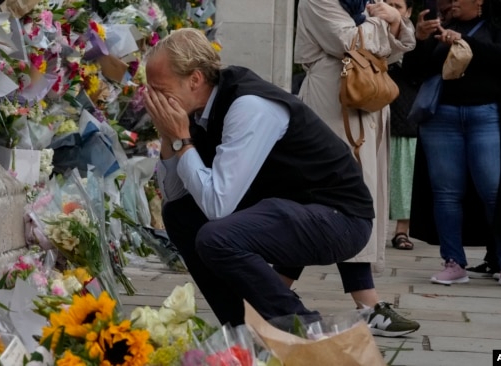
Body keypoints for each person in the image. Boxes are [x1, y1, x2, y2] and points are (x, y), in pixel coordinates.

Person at [143, 27, 376, 326]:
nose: (154, 102)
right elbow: (176, 196)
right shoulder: (196, 112)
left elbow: (217, 206)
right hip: (290, 210)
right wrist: (169, 137)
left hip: (340, 218)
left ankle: (301, 325)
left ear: (195, 79)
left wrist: (183, 141)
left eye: (160, 91)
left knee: (216, 238)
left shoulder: (249, 105)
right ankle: (241, 326)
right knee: (180, 215)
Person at [276, 0, 420, 337]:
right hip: (331, 104)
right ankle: (367, 306)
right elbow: (349, 42)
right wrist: (385, 22)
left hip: (365, 101)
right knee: (336, 201)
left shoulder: (364, 1)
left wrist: (395, 22)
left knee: (336, 203)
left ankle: (269, 292)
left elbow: (400, 48)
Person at [403, 0, 501, 287]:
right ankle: (453, 261)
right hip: (442, 118)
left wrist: (467, 41)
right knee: (446, 193)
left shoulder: (499, 24)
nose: (451, 1)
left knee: (494, 190)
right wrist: (422, 39)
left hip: (486, 115)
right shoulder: (443, 24)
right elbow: (415, 72)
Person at [386, 0, 417, 250]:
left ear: (408, 11)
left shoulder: (417, 38)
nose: (391, 8)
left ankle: (402, 230)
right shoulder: (368, 29)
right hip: (372, 111)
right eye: (387, 2)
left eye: (397, 4)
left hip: (405, 113)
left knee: (404, 176)